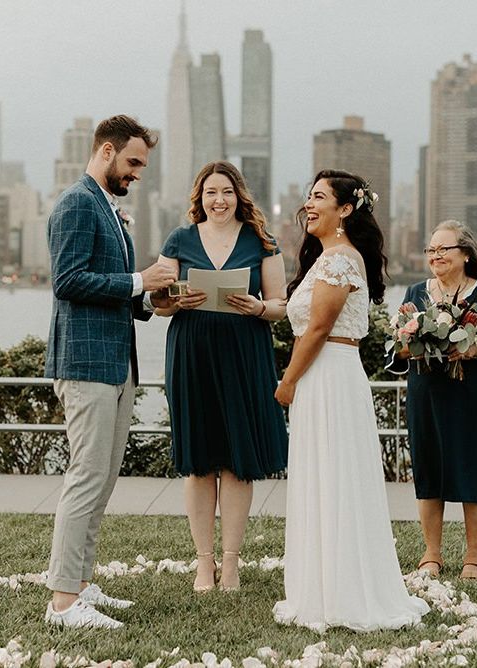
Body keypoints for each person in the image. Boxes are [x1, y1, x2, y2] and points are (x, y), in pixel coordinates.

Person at [272, 169, 429, 632]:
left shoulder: (340, 260)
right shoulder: (327, 259)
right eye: (308, 195)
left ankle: (344, 593)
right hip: (324, 377)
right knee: (323, 475)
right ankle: (322, 587)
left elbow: (319, 328)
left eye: (320, 197)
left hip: (331, 376)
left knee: (335, 476)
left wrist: (287, 380)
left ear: (345, 209)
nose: (309, 204)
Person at [44, 115, 178, 628]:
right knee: (86, 477)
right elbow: (69, 281)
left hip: (116, 364)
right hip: (86, 364)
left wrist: (154, 301)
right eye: (134, 162)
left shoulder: (108, 206)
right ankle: (62, 603)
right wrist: (139, 280)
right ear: (105, 151)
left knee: (101, 480)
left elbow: (115, 287)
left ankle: (80, 583)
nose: (139, 172)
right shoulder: (78, 202)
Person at [157, 161, 288, 593]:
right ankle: (203, 563)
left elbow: (281, 305)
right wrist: (178, 299)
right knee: (199, 461)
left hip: (244, 353)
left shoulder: (262, 242)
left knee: (236, 462)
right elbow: (158, 302)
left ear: (239, 196)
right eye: (211, 192)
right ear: (200, 198)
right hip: (192, 352)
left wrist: (257, 308)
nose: (219, 200)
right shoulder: (179, 239)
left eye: (227, 192)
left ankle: (230, 563)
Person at [387, 220, 477, 580]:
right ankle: (432, 553)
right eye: (431, 250)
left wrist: (476, 348)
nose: (436, 256)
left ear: (465, 254)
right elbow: (395, 348)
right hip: (425, 395)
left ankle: (475, 556)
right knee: (428, 469)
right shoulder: (415, 292)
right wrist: (409, 345)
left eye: (443, 249)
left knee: (471, 469)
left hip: (470, 398)